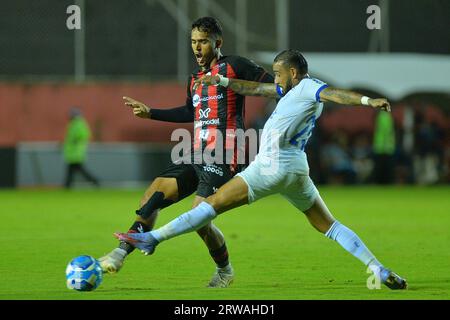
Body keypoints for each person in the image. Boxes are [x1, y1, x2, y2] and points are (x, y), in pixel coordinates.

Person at [115, 50, 408, 290]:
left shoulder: (308, 86)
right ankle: (377, 268)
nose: (275, 79)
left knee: (210, 207)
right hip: (296, 169)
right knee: (329, 225)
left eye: (279, 72)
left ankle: (153, 239)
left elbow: (334, 94)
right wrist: (225, 82)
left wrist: (368, 101)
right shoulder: (290, 89)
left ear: (294, 72)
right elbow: (255, 88)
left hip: (271, 166)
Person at [98, 17, 274, 288]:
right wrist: (151, 113)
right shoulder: (194, 80)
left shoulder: (235, 65)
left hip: (225, 153)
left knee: (199, 218)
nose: (197, 47)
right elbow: (190, 112)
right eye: (193, 41)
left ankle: (224, 271)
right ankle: (119, 253)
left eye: (203, 41)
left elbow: (273, 86)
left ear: (218, 42)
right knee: (153, 196)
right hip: (195, 153)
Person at [63, 107, 99, 188]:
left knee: (78, 171)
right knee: (74, 171)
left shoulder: (79, 124)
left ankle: (95, 181)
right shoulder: (74, 124)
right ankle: (67, 186)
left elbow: (85, 135)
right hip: (72, 153)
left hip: (76, 153)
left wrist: (76, 140)